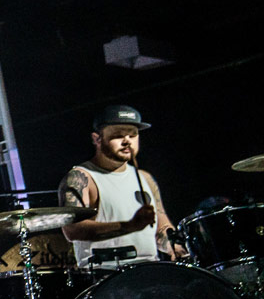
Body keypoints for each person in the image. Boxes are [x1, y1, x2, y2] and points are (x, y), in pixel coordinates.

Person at [60, 104, 177, 269]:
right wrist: (129, 226)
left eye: (133, 135)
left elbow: (160, 228)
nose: (127, 141)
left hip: (150, 269)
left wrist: (174, 246)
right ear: (96, 139)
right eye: (118, 135)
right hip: (106, 273)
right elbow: (72, 230)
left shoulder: (145, 178)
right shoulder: (81, 177)